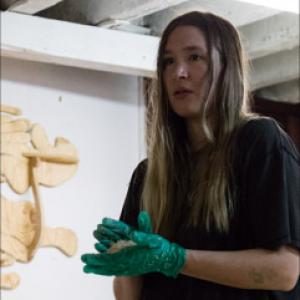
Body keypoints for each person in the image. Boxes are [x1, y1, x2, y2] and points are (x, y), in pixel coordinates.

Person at [81, 11, 300, 300]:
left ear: (227, 68)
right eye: (168, 61)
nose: (178, 73)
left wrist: (175, 258)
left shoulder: (258, 141)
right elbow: (127, 296)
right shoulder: (148, 175)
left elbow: (283, 271)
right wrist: (125, 256)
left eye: (194, 57)